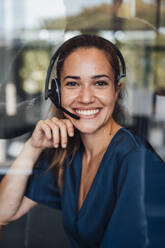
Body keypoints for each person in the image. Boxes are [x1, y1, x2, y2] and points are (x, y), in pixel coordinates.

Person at [0, 34, 164, 248]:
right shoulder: (68, 153)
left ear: (116, 91)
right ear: (57, 92)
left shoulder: (138, 163)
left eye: (100, 83)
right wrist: (32, 147)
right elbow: (4, 212)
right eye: (73, 83)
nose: (86, 97)